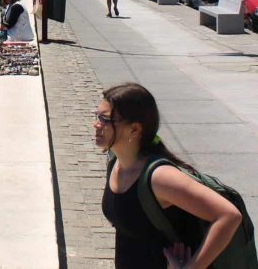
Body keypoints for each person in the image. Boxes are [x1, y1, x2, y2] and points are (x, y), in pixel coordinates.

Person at [96, 84, 242, 269]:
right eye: (97, 116)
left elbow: (229, 216)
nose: (97, 124)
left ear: (134, 130)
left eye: (105, 119)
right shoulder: (115, 162)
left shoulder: (160, 178)